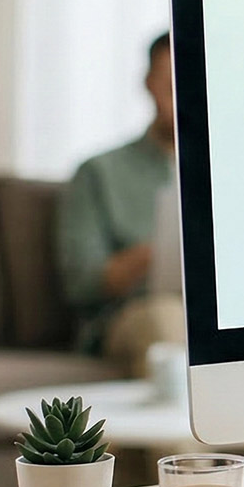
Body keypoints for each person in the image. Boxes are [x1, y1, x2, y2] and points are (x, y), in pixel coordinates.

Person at [56, 32, 183, 371]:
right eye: (171, 85)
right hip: (131, 315)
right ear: (148, 84)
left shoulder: (228, 169)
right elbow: (81, 282)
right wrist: (158, 254)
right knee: (167, 320)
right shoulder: (99, 172)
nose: (183, 95)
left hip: (209, 311)